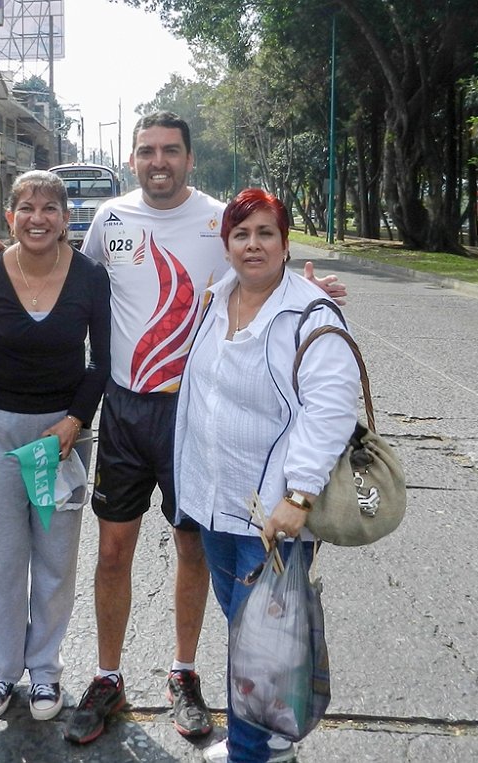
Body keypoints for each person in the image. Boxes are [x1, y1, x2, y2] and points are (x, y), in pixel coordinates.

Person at [62, 111, 347, 758]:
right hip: (126, 410)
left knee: (195, 548)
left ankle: (184, 673)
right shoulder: (109, 219)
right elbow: (75, 282)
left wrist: (304, 288)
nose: (158, 161)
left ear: (190, 158)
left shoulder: (220, 219)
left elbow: (261, 277)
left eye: (170, 150)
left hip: (188, 415)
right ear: (132, 159)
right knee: (112, 551)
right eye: (147, 151)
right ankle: (107, 677)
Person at [173, 188, 359, 763]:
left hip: (273, 516)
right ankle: (269, 735)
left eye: (265, 233)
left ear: (284, 242)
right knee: (247, 632)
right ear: (226, 244)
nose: (252, 245)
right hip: (216, 500)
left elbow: (331, 411)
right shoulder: (217, 298)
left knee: (259, 641)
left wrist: (299, 496)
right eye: (241, 234)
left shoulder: (309, 313)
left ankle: (252, 751)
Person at [0, 169, 111, 724]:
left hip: (59, 440)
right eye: (27, 208)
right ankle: (4, 670)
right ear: (10, 216)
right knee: (1, 557)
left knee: (55, 558)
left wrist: (74, 422)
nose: (37, 218)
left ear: (66, 219)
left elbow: (102, 361)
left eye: (49, 209)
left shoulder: (90, 276)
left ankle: (44, 671)